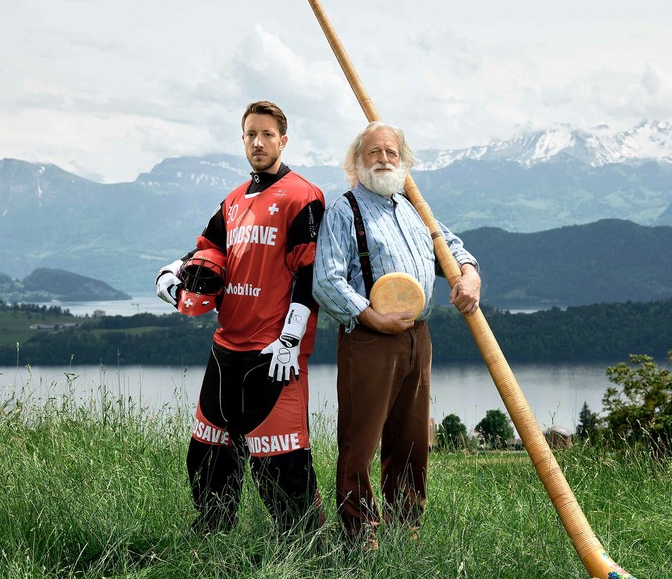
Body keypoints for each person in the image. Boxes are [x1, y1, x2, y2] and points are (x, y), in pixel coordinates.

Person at [155, 100, 325, 535]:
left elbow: (311, 272)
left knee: (281, 465)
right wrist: (174, 271)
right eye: (250, 134)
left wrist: (291, 337)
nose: (258, 142)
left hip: (273, 352)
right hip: (226, 347)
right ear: (243, 140)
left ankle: (307, 552)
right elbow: (207, 249)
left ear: (283, 141)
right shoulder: (232, 200)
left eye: (267, 134)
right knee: (207, 454)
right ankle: (213, 538)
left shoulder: (303, 197)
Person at [312, 121, 481, 548]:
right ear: (356, 162)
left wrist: (469, 273)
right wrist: (371, 317)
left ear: (403, 161)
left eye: (391, 152)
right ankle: (359, 531)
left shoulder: (412, 205)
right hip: (370, 339)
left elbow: (452, 245)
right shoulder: (345, 210)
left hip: (417, 337)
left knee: (410, 437)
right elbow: (327, 280)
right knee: (361, 438)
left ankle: (405, 525)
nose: (384, 159)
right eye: (373, 153)